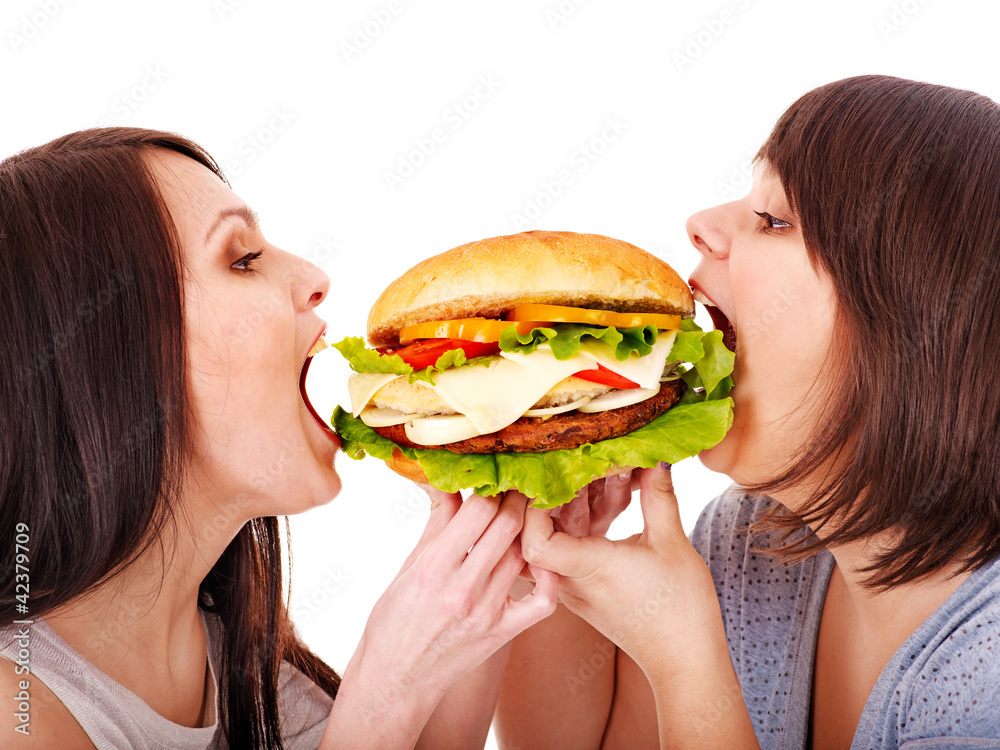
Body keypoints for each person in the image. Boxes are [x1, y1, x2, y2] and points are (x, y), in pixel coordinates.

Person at [0, 127, 557, 749]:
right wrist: (384, 691)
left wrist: (494, 539)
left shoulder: (236, 649)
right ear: (106, 360)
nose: (314, 276)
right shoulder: (16, 712)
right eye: (241, 259)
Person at [495, 75, 1000, 748]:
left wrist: (686, 661)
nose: (700, 225)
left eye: (775, 219)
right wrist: (557, 550)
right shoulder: (754, 542)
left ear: (915, 325)